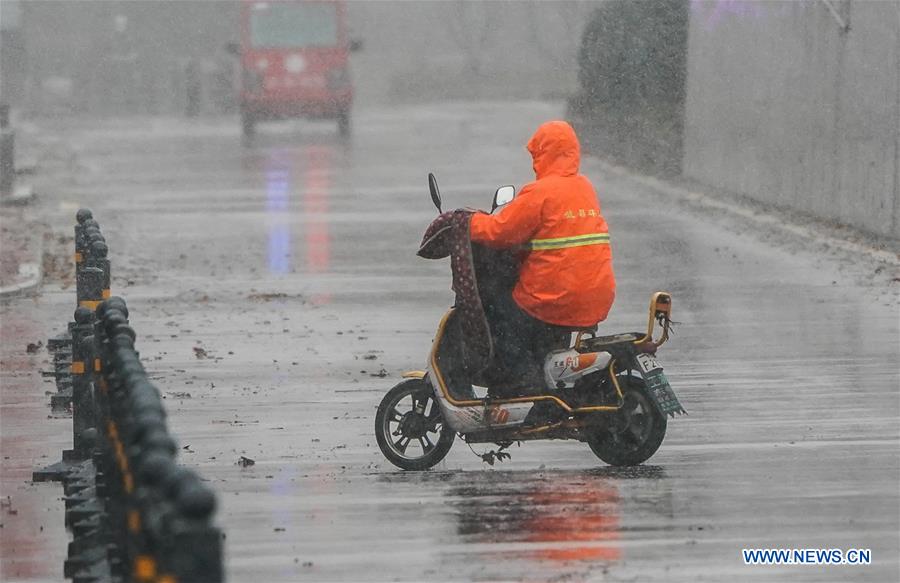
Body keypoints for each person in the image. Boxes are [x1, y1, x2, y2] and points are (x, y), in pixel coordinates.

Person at [470, 120, 616, 395]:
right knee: (535, 316)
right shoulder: (585, 188)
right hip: (596, 295)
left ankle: (521, 382)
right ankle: (547, 373)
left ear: (543, 154)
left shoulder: (539, 193)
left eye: (536, 154)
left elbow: (500, 231)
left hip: (555, 297)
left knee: (500, 313)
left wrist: (469, 223)